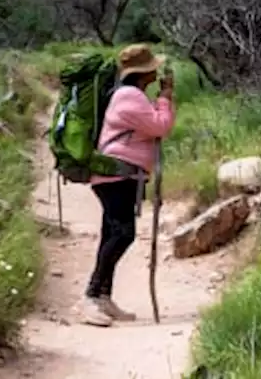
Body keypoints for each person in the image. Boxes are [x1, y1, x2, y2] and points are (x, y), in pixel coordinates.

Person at [78, 44, 176, 326]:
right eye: (152, 69)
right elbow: (160, 126)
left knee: (112, 232)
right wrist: (166, 98)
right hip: (116, 176)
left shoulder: (129, 94)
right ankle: (90, 296)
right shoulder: (130, 97)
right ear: (143, 73)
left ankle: (103, 296)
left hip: (119, 176)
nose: (156, 73)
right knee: (123, 234)